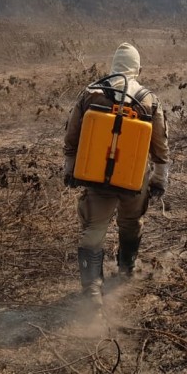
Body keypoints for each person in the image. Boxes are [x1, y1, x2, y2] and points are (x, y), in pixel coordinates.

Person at [63, 43, 170, 308]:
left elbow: (72, 135)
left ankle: (91, 291)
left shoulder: (91, 93)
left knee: (93, 230)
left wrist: (70, 167)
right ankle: (127, 270)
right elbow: (160, 146)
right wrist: (159, 179)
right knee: (131, 222)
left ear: (112, 66)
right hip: (134, 178)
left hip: (95, 176)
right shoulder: (149, 99)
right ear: (138, 69)